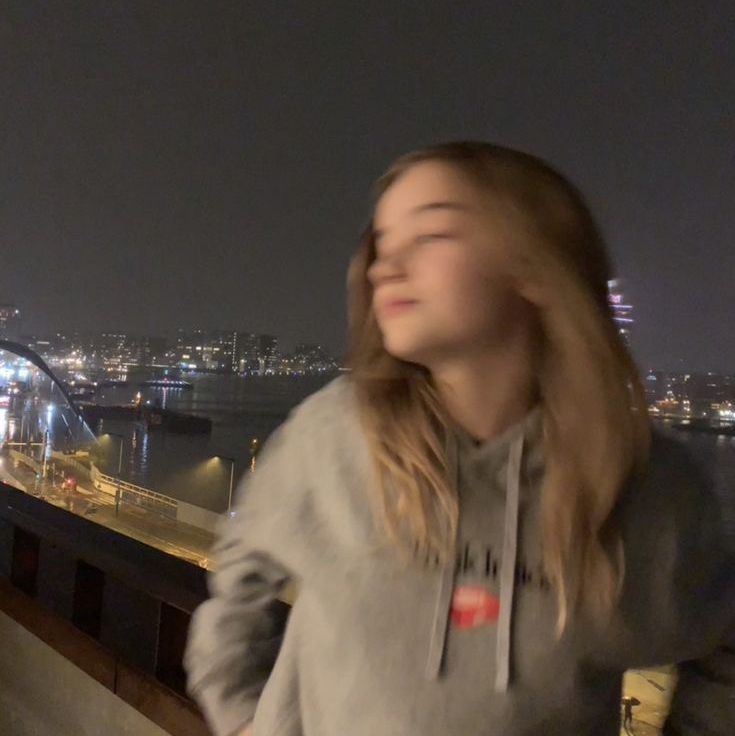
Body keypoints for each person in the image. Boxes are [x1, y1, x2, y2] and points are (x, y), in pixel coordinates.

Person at [183, 141, 734, 736]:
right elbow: (240, 573)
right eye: (383, 243)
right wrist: (243, 717)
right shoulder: (336, 436)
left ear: (534, 265)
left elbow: (724, 641)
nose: (384, 267)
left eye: (432, 234)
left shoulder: (642, 488)